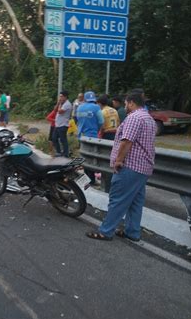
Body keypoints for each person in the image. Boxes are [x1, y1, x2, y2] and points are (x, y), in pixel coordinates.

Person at [86, 91, 156, 241]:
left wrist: (118, 161)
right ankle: (133, 232)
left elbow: (126, 141)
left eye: (126, 103)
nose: (125, 106)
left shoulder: (134, 118)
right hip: (144, 168)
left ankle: (105, 231)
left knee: (117, 200)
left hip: (130, 166)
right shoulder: (148, 118)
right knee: (135, 202)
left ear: (131, 102)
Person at [76, 91, 104, 183]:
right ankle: (91, 180)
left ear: (85, 99)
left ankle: (87, 179)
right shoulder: (96, 107)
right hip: (92, 136)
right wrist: (97, 129)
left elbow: (77, 119)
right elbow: (101, 121)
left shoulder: (79, 107)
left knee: (84, 157)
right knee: (91, 158)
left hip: (81, 135)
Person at [52, 90, 72, 157]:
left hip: (63, 125)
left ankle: (66, 154)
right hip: (58, 125)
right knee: (54, 138)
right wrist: (58, 103)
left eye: (61, 96)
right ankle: (59, 152)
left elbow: (60, 111)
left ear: (65, 97)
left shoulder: (67, 104)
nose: (60, 98)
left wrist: (60, 104)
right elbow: (55, 110)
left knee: (63, 140)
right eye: (59, 96)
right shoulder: (61, 103)